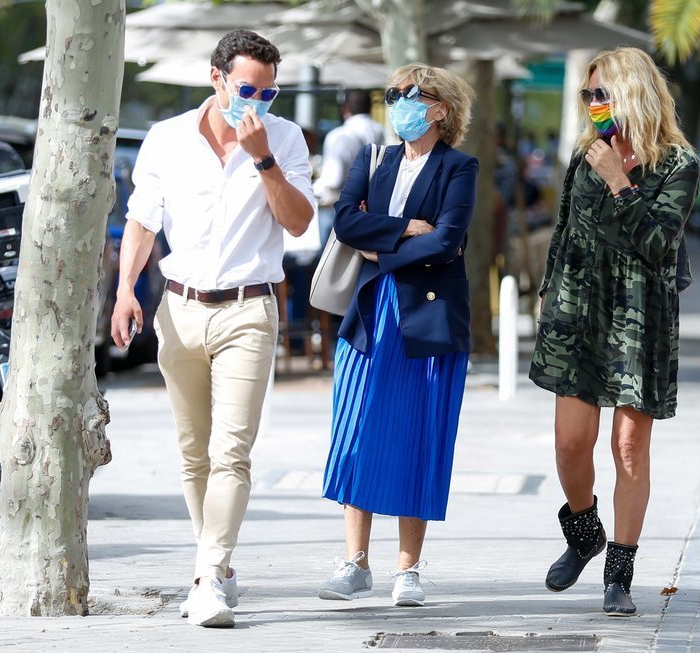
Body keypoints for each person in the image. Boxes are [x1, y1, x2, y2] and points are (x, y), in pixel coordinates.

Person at [110, 29, 316, 628]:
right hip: (179, 308)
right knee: (193, 454)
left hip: (249, 311)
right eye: (247, 88)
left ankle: (205, 577)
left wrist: (265, 160)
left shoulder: (284, 139)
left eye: (269, 93)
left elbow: (300, 223)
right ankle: (219, 567)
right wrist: (125, 291)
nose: (256, 102)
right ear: (217, 78)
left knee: (232, 452)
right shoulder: (168, 138)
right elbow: (143, 220)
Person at [529, 47, 699, 617]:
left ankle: (619, 572)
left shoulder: (677, 163)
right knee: (569, 442)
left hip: (639, 313)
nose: (595, 106)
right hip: (576, 312)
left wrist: (619, 181)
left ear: (635, 94)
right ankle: (584, 530)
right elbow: (565, 231)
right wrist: (547, 293)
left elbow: (657, 245)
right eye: (589, 95)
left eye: (604, 94)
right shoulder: (585, 155)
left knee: (629, 444)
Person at [316, 63, 478, 607]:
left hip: (428, 318)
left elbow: (449, 241)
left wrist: (379, 246)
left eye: (411, 94)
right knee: (356, 429)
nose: (398, 103)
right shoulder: (374, 157)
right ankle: (354, 562)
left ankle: (406, 571)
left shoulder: (460, 166)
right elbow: (344, 221)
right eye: (392, 94)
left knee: (419, 434)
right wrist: (407, 228)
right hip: (369, 312)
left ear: (441, 109)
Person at [312, 90, 385, 247]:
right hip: (371, 205)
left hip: (338, 206)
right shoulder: (379, 131)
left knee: (329, 258)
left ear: (345, 108)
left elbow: (333, 180)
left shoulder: (339, 135)